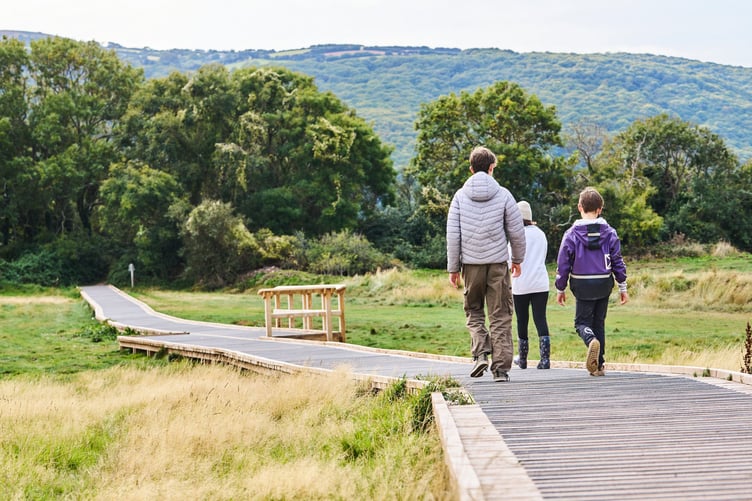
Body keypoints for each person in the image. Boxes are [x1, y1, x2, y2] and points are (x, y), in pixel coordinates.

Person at [447, 146, 526, 382]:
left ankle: (480, 353)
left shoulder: (460, 196)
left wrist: (453, 268)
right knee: (500, 314)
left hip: (470, 265)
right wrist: (518, 259)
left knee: (473, 310)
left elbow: (453, 235)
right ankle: (500, 369)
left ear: (471, 169)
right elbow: (517, 231)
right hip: (498, 264)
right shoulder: (504, 194)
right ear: (492, 168)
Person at [555, 187, 628, 376]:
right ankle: (599, 365)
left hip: (582, 283)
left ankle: (590, 340)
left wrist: (560, 288)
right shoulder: (610, 233)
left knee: (581, 323)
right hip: (604, 282)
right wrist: (622, 286)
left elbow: (563, 263)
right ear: (600, 209)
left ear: (579, 207)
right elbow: (617, 261)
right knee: (599, 323)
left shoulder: (571, 234)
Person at [509, 201, 551, 369]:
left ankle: (523, 359)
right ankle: (545, 359)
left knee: (522, 320)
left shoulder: (515, 236)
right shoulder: (541, 234)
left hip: (521, 284)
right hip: (541, 283)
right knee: (540, 318)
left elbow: (508, 259)